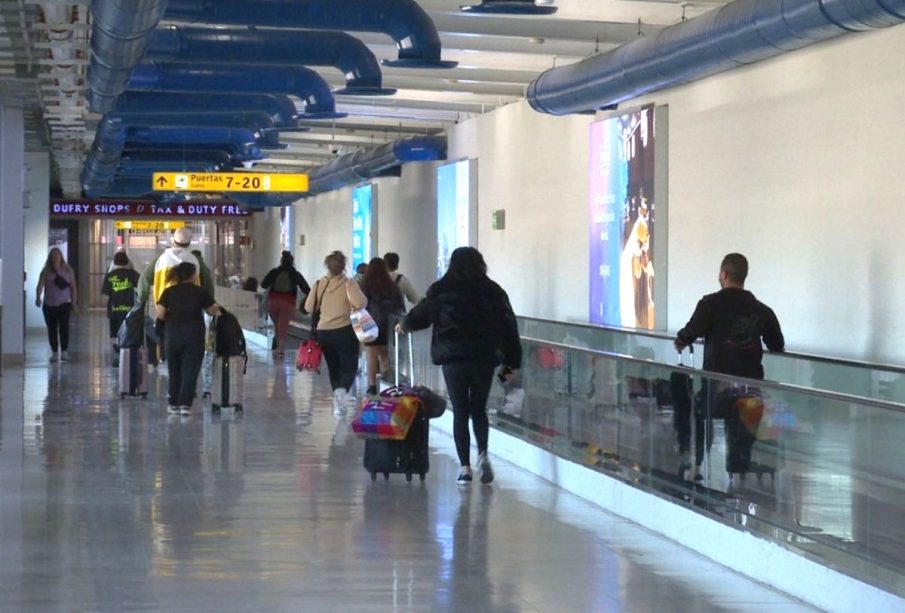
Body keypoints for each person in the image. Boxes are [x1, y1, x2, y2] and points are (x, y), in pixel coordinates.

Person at [398, 247, 522, 485]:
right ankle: (483, 453)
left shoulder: (442, 289)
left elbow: (421, 315)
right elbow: (509, 326)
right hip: (483, 358)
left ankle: (465, 468)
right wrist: (513, 360)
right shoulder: (493, 291)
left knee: (460, 411)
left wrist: (405, 325)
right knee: (479, 409)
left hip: (453, 359)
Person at [674, 253, 785, 479]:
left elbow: (689, 333)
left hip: (717, 389)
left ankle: (696, 465)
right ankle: (737, 475)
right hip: (751, 389)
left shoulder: (709, 304)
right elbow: (777, 345)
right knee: (742, 422)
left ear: (724, 274)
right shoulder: (762, 310)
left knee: (700, 412)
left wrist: (680, 341)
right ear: (744, 276)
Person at [304, 250, 367, 416]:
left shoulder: (320, 284)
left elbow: (309, 307)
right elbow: (361, 303)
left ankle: (338, 399)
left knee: (334, 367)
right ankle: (341, 395)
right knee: (349, 365)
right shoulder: (349, 283)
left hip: (323, 332)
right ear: (343, 266)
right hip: (345, 330)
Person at [155, 262, 221, 416]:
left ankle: (173, 404)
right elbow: (212, 311)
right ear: (192, 275)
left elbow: (160, 314)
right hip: (194, 335)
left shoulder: (169, 292)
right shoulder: (199, 292)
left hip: (173, 335)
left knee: (174, 369)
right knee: (190, 370)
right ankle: (185, 404)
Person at [137, 228, 207, 367]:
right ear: (189, 243)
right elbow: (208, 281)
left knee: (168, 343)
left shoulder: (161, 259)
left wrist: (141, 300)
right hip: (193, 311)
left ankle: (167, 363)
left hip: (165, 310)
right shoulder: (195, 260)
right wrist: (207, 300)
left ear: (172, 241)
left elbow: (144, 280)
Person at [359, 257, 405, 395]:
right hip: (388, 325)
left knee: (371, 355)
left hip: (369, 323)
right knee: (385, 356)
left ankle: (372, 385)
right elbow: (400, 307)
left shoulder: (364, 286)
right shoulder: (392, 286)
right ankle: (387, 385)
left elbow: (359, 305)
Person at [261, 251, 311, 358]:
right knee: (282, 325)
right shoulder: (295, 274)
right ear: (292, 262)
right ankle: (281, 349)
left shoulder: (275, 272)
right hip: (288, 302)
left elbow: (264, 284)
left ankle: (277, 345)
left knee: (277, 325)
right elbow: (306, 289)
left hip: (272, 302)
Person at [35, 247, 79, 362]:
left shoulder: (68, 270)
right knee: (52, 328)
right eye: (53, 255)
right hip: (49, 305)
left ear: (61, 257)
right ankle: (55, 352)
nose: (55, 257)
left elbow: (73, 287)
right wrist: (38, 297)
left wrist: (74, 302)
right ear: (50, 258)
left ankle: (64, 351)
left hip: (64, 303)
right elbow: (40, 285)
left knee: (64, 327)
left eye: (57, 255)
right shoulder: (46, 271)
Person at [101, 251, 140, 362]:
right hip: (129, 311)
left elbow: (105, 297)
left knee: (114, 334)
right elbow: (142, 287)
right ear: (127, 261)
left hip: (114, 310)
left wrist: (106, 308)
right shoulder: (133, 274)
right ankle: (127, 352)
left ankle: (117, 352)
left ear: (114, 262)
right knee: (128, 332)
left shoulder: (109, 276)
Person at [191, 249, 216, 398]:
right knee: (204, 351)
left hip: (182, 317)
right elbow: (210, 291)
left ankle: (188, 387)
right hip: (202, 311)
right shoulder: (204, 268)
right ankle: (205, 387)